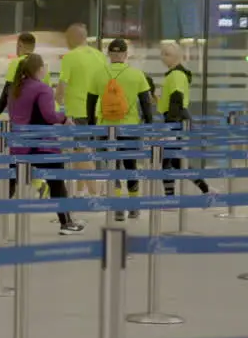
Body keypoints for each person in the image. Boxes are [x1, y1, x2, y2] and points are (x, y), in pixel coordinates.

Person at [0, 54, 83, 236]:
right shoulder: (42, 89)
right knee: (57, 183)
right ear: (39, 69)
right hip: (42, 144)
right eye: (44, 66)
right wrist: (65, 118)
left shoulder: (15, 89)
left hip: (19, 144)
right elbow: (49, 116)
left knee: (10, 183)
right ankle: (66, 223)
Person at [86, 38, 153, 222]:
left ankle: (116, 208)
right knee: (131, 165)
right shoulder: (137, 75)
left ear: (109, 54)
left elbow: (90, 103)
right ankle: (133, 207)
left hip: (106, 128)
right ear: (125, 54)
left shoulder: (98, 74)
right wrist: (149, 125)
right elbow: (146, 104)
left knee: (112, 166)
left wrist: (92, 126)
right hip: (130, 128)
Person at [0, 32, 51, 198]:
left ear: (19, 45)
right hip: (39, 119)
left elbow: (8, 91)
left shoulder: (17, 63)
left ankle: (0, 206)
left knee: (18, 155)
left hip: (22, 121)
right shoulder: (42, 67)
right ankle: (38, 183)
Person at [58, 23, 109, 198]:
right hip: (98, 110)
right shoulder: (100, 56)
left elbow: (62, 85)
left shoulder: (70, 57)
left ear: (73, 38)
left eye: (66, 38)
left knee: (82, 150)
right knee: (84, 149)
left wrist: (56, 103)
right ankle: (81, 189)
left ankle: (95, 191)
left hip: (79, 109)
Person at [156, 41, 212, 196]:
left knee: (168, 159)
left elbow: (176, 99)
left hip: (174, 120)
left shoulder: (176, 75)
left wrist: (170, 128)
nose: (163, 58)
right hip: (174, 119)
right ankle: (204, 188)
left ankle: (170, 197)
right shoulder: (174, 75)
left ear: (177, 57)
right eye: (162, 54)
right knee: (176, 161)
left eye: (167, 54)